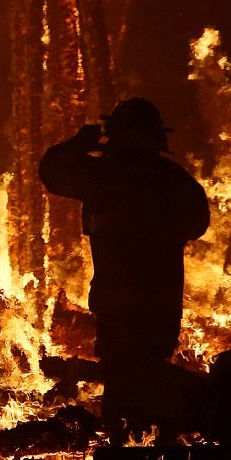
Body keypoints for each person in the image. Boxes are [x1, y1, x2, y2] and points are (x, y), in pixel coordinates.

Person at [39, 97, 210, 433]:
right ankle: (157, 441)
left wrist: (78, 144)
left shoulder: (101, 176)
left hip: (120, 302)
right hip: (157, 302)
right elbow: (196, 224)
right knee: (139, 376)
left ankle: (133, 444)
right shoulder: (172, 180)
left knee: (125, 377)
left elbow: (52, 172)